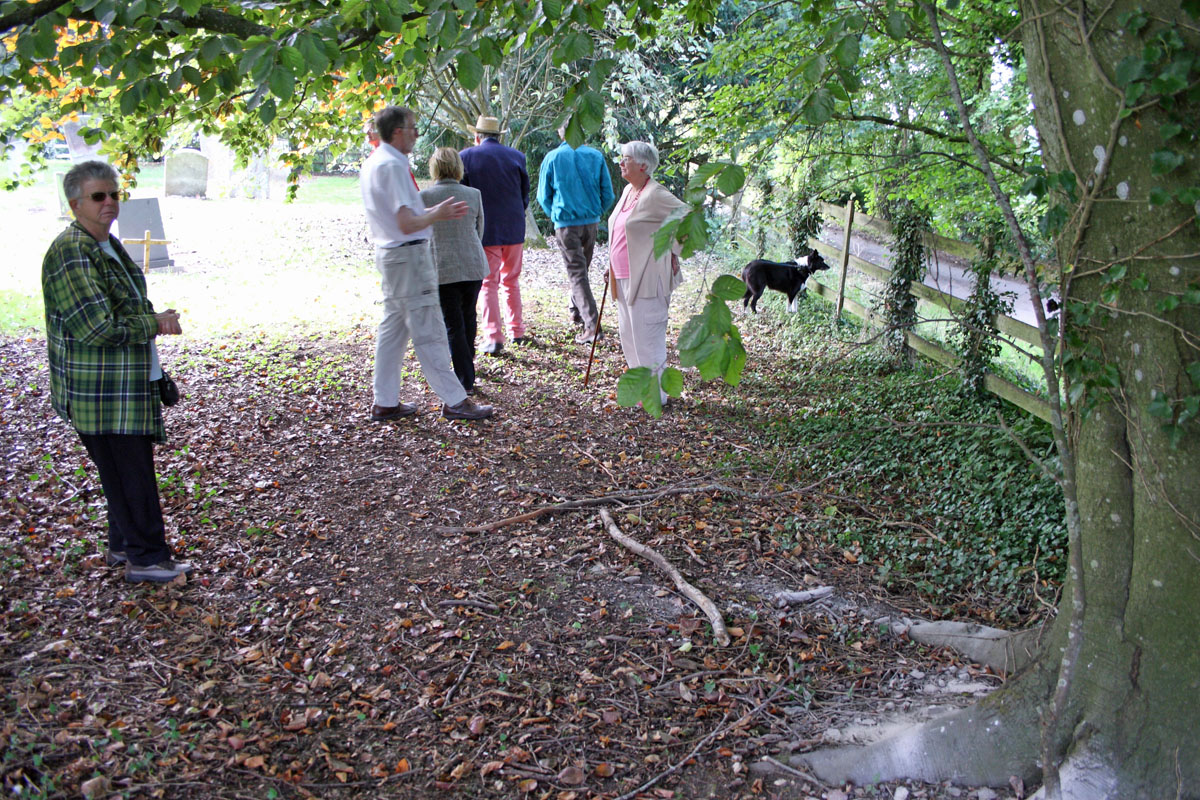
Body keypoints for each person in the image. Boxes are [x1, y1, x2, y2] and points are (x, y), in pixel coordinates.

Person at [41, 161, 194, 584]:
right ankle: (146, 558)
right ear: (75, 203)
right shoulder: (73, 251)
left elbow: (120, 307)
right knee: (132, 476)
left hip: (122, 385)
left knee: (124, 471)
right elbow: (96, 328)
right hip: (100, 391)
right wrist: (155, 322)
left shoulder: (103, 243)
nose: (109, 202)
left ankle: (124, 544)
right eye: (98, 196)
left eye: (113, 194)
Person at [361, 105, 494, 422]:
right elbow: (406, 222)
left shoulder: (376, 162)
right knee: (429, 331)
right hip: (406, 255)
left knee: (392, 331)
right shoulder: (390, 166)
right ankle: (455, 399)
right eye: (412, 128)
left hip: (394, 255)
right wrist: (438, 214)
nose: (417, 134)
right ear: (397, 132)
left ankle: (385, 401)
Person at [607, 141, 688, 405]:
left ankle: (657, 396)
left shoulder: (655, 193)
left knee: (647, 337)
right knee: (628, 336)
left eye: (626, 158)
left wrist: (672, 250)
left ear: (643, 165)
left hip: (647, 277)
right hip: (622, 276)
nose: (621, 163)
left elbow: (687, 217)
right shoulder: (629, 191)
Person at [536, 123, 615, 344]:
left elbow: (543, 196)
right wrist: (596, 211)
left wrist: (556, 215)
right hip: (590, 223)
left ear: (561, 132)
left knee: (578, 273)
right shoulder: (595, 156)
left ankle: (592, 327)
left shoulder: (552, 158)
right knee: (582, 270)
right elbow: (608, 194)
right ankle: (576, 310)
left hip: (566, 224)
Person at [420, 148, 489, 395]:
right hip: (472, 265)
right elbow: (479, 231)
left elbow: (422, 235)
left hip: (442, 267)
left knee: (453, 323)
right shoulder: (473, 194)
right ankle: (466, 367)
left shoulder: (425, 197)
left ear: (435, 168)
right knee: (468, 316)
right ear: (458, 167)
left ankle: (464, 379)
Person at [460, 115, 530, 355]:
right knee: (511, 280)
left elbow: (464, 194)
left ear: (477, 136)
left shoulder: (466, 157)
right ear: (498, 136)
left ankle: (493, 337)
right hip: (514, 228)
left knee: (489, 282)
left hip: (486, 228)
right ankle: (517, 331)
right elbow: (524, 195)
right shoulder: (516, 156)